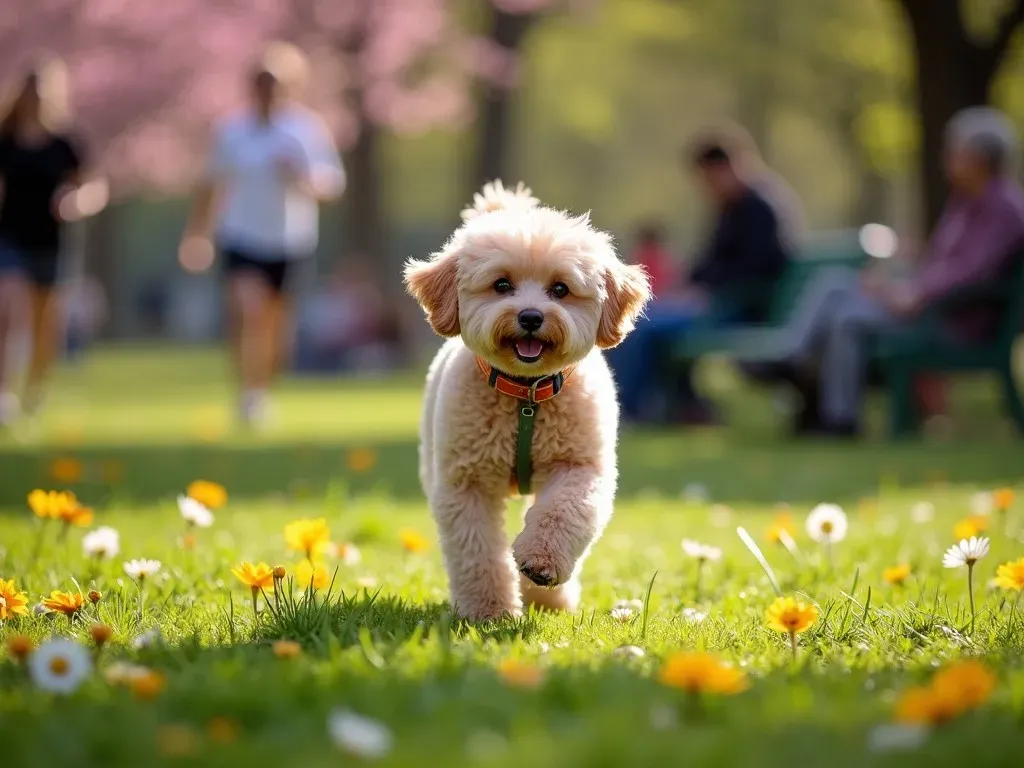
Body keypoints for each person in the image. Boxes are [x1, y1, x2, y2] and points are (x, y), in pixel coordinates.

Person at [780, 107, 1024, 436]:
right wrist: (899, 279)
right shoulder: (964, 202)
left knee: (847, 319)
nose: (946, 158)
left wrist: (913, 293)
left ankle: (832, 411)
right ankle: (799, 367)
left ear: (978, 157)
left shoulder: (1003, 208)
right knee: (836, 286)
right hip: (930, 306)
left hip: (955, 320)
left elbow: (972, 273)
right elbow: (944, 263)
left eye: (954, 150)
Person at [180, 42, 345, 426]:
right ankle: (249, 395)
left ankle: (263, 386)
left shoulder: (305, 130)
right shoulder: (231, 131)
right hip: (241, 237)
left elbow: (332, 185)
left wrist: (302, 178)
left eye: (276, 82)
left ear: (291, 85)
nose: (268, 89)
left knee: (276, 335)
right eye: (262, 81)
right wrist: (196, 235)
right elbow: (210, 185)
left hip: (290, 241)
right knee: (248, 314)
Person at [607, 138, 794, 424]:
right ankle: (675, 405)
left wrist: (707, 292)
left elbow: (758, 267)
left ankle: (628, 408)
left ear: (727, 167)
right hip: (717, 302)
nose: (707, 187)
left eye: (709, 178)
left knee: (643, 325)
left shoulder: (759, 208)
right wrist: (688, 284)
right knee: (638, 315)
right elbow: (711, 260)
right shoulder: (730, 208)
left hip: (738, 309)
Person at [0, 58, 107, 426]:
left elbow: (93, 186)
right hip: (9, 237)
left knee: (46, 323)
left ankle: (36, 388)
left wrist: (77, 202)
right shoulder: (6, 137)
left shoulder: (65, 143)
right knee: (7, 307)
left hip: (51, 240)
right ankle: (3, 393)